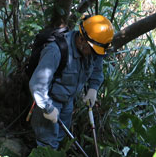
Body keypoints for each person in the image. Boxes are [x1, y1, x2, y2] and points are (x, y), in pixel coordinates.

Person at [29, 15, 114, 149]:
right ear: (81, 39)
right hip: (50, 100)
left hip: (68, 100)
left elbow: (97, 69)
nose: (93, 54)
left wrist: (93, 89)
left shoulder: (93, 48)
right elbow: (38, 84)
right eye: (92, 51)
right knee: (47, 143)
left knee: (60, 136)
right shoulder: (56, 50)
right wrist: (48, 108)